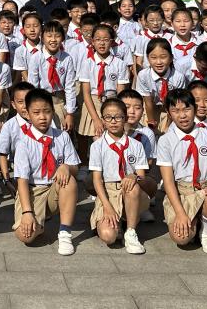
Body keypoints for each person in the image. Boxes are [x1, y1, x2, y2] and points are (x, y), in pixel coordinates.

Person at [157, 88, 207, 253]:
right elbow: (168, 182)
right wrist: (180, 213)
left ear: (195, 109)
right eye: (175, 111)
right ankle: (195, 220)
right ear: (169, 113)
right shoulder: (165, 141)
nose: (182, 115)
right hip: (182, 192)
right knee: (181, 239)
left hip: (206, 187)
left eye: (187, 109)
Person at [13, 88, 80, 255]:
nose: (42, 117)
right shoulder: (23, 143)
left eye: (47, 111)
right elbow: (22, 181)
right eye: (36, 113)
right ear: (27, 114)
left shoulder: (62, 136)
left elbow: (75, 168)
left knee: (69, 180)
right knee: (25, 236)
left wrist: (66, 167)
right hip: (32, 190)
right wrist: (27, 212)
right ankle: (39, 221)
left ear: (53, 112)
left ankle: (65, 232)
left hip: (54, 187)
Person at [89, 97, 149, 254]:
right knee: (109, 237)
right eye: (108, 117)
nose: (113, 121)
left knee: (132, 186)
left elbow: (142, 176)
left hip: (128, 190)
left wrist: (134, 176)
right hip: (108, 191)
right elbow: (97, 180)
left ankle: (130, 231)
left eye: (118, 117)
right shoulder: (97, 146)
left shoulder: (136, 145)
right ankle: (117, 222)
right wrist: (107, 207)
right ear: (103, 120)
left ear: (125, 118)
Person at [26, 21, 77, 130]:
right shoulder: (36, 57)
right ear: (42, 37)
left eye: (57, 36)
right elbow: (33, 85)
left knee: (62, 131)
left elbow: (70, 87)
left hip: (60, 101)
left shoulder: (67, 58)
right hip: (41, 101)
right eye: (49, 36)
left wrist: (70, 113)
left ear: (62, 38)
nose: (53, 40)